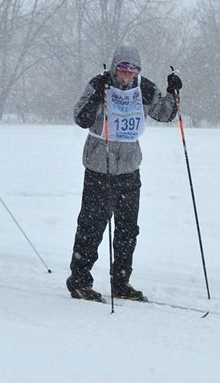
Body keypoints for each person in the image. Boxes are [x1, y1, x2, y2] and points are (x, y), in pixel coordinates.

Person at [66, 44, 181, 303]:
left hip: (129, 168)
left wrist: (173, 91)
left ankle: (121, 282)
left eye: (132, 68)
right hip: (100, 166)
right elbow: (80, 117)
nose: (127, 73)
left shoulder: (144, 87)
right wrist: (97, 98)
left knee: (128, 230)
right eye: (123, 67)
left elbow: (164, 114)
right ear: (115, 66)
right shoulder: (99, 84)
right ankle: (80, 281)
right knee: (92, 227)